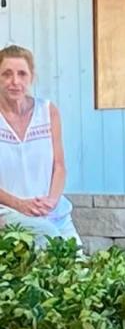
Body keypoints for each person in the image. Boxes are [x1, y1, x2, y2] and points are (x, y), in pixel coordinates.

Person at [0, 45, 80, 246]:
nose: (15, 81)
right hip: (9, 212)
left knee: (80, 266)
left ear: (31, 77)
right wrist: (20, 205)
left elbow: (59, 166)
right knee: (49, 240)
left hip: (52, 210)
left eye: (22, 74)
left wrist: (51, 201)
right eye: (7, 74)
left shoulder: (48, 111)